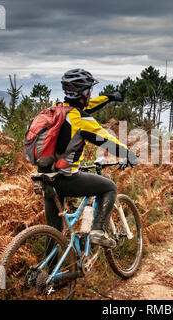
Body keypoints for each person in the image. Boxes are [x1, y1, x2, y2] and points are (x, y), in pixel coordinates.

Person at [40, 68, 139, 248]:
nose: (90, 94)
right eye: (89, 91)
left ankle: (47, 274)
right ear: (85, 92)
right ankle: (98, 232)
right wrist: (129, 155)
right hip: (65, 179)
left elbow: (87, 105)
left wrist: (110, 97)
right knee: (109, 187)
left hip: (45, 178)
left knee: (54, 232)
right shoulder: (82, 120)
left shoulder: (56, 110)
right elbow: (109, 142)